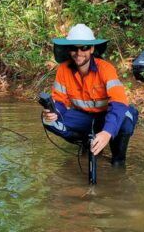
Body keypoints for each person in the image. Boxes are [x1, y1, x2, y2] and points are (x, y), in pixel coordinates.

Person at [42, 24, 138, 166]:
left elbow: (119, 102)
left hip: (107, 116)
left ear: (92, 49)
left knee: (127, 116)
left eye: (84, 47)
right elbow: (59, 101)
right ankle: (86, 141)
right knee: (47, 121)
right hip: (84, 117)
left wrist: (107, 132)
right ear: (69, 50)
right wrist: (54, 112)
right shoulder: (63, 69)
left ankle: (118, 160)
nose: (78, 52)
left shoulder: (106, 69)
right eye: (74, 48)